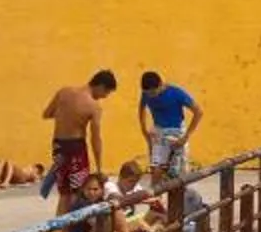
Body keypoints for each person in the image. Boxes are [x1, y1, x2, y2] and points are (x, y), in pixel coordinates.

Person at [40, 71, 118, 216]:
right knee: (79, 190)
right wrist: (99, 165)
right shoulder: (94, 107)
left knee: (64, 194)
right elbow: (95, 138)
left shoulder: (64, 92)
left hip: (58, 147)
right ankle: (76, 228)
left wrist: (65, 114)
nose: (104, 97)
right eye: (105, 92)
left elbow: (47, 114)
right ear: (100, 86)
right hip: (76, 148)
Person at [137, 70, 203, 183]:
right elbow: (141, 108)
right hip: (158, 131)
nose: (151, 96)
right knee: (156, 166)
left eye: (153, 93)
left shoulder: (176, 93)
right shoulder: (146, 94)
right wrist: (144, 129)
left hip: (177, 133)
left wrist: (186, 136)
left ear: (160, 86)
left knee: (177, 173)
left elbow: (198, 111)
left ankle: (179, 198)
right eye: (148, 94)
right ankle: (156, 197)